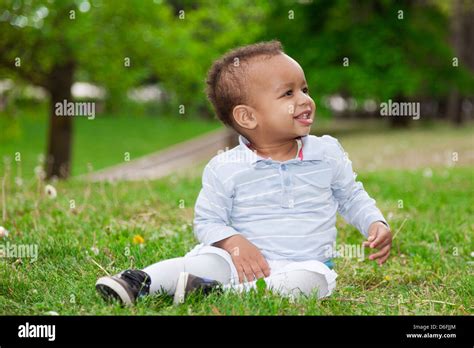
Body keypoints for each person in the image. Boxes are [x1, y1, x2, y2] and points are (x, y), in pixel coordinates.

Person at [95, 40, 392, 306]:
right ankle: (139, 282)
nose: (304, 99)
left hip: (303, 263)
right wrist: (232, 242)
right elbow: (208, 221)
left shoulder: (325, 153)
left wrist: (374, 221)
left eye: (304, 89)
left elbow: (351, 196)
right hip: (237, 261)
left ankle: (216, 294)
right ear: (247, 117)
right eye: (288, 93)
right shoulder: (226, 167)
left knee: (312, 282)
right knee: (206, 260)